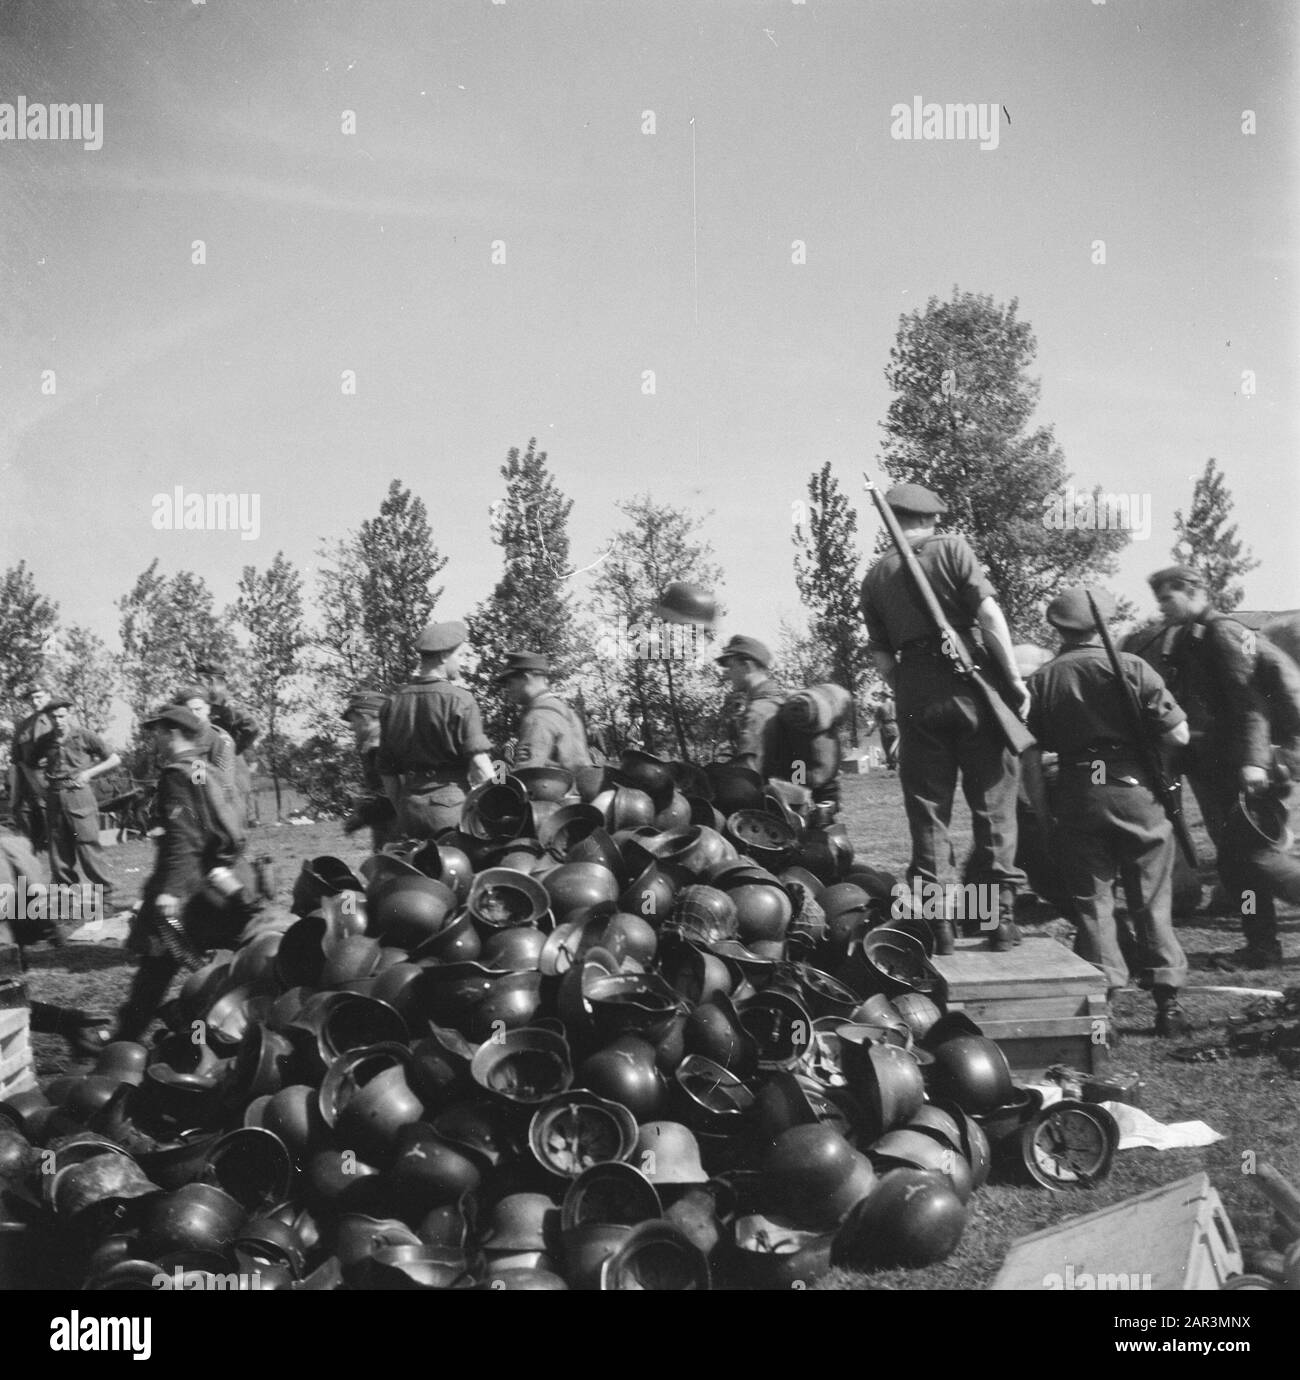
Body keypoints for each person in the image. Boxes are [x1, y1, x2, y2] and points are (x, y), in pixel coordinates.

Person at [859, 483, 1028, 950]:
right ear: (931, 519)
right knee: (993, 805)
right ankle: (999, 920)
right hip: (972, 685)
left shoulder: (875, 577)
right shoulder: (952, 549)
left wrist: (911, 691)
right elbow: (990, 616)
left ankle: (940, 925)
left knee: (928, 810)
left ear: (890, 520)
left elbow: (882, 661)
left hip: (914, 688)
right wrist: (1012, 678)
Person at [1025, 587, 1193, 1036]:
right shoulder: (1134, 668)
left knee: (1093, 904)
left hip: (1080, 790)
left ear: (1058, 628)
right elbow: (1178, 737)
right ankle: (1168, 1004)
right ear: (1106, 623)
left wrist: (1043, 813)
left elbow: (1029, 758)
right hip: (1135, 789)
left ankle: (1103, 1010)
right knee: (1152, 897)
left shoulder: (1041, 680)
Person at [1149, 565, 1288, 969]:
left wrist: (1254, 762)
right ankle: (1261, 944)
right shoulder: (1190, 636)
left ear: (1193, 591)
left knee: (1249, 861)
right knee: (1238, 861)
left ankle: (1262, 946)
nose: (1161, 607)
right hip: (1220, 763)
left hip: (1242, 767)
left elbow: (1251, 702)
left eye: (1167, 597)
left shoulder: (1222, 632)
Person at [112, 704, 252, 1043]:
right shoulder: (207, 769)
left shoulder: (176, 774)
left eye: (157, 732)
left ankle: (125, 1043)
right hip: (221, 883)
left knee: (156, 969)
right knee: (219, 960)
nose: (154, 739)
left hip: (189, 890)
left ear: (171, 732)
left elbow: (184, 837)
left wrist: (170, 891)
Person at [378, 621, 494, 840]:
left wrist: (402, 807)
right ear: (443, 657)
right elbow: (480, 765)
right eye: (459, 655)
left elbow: (387, 771)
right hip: (451, 808)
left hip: (409, 808)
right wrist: (501, 799)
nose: (462, 663)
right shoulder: (461, 700)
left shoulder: (392, 702)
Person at [33, 697, 121, 930]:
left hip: (79, 795)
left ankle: (107, 901)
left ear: (69, 714)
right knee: (59, 855)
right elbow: (29, 765)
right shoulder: (44, 740)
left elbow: (114, 758)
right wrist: (41, 787)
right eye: (53, 717)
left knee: (89, 849)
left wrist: (89, 774)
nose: (58, 720)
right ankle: (66, 908)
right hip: (54, 797)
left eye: (62, 716)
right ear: (48, 718)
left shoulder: (83, 735)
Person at [493, 651, 594, 772]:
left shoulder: (538, 716)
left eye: (510, 683)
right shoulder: (563, 710)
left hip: (550, 789)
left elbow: (527, 772)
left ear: (526, 678)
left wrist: (498, 781)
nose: (507, 689)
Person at [194, 661, 259, 826]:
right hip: (201, 759)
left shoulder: (226, 705)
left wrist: (233, 749)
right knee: (198, 794)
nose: (197, 683)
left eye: (200, 679)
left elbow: (252, 727)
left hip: (227, 763)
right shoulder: (198, 704)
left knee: (237, 807)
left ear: (212, 681)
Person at [715, 635, 787, 775]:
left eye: (731, 667)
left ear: (747, 666)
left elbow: (747, 773)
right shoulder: (780, 700)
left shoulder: (758, 712)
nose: (728, 675)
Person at [341, 690, 398, 849]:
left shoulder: (379, 749)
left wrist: (362, 816)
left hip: (396, 834)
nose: (351, 728)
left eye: (353, 721)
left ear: (366, 718)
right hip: (388, 830)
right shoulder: (378, 745)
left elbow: (393, 798)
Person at [174, 683, 239, 816]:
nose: (194, 715)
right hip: (187, 809)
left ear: (208, 709)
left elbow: (225, 786)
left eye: (198, 709)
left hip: (213, 812)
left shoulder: (220, 739)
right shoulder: (180, 739)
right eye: (189, 711)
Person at [7, 685, 53, 850]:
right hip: (27, 795)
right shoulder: (22, 727)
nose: (35, 702)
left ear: (48, 695)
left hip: (51, 793)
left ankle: (56, 877)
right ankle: (23, 878)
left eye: (39, 697)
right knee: (24, 849)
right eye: (32, 698)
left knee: (56, 850)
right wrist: (14, 798)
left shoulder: (59, 721)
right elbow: (15, 763)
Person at [875, 692, 899, 771]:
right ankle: (895, 763)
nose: (880, 698)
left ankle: (891, 765)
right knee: (895, 747)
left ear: (883, 697)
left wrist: (870, 731)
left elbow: (877, 721)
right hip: (895, 727)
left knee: (887, 747)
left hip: (886, 727)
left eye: (880, 697)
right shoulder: (896, 705)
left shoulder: (880, 707)